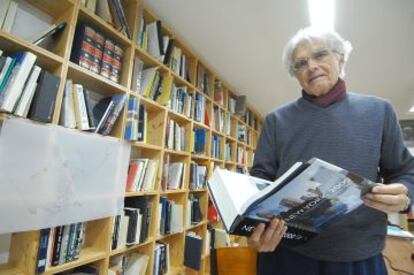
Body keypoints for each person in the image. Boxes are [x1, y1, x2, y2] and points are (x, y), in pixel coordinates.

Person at [247, 27, 414, 275]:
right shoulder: (276, 121)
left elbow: (405, 172)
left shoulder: (379, 111)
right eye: (301, 63)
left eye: (320, 55)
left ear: (341, 58)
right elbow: (259, 182)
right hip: (286, 252)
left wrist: (406, 194)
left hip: (359, 255)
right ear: (296, 75)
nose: (311, 66)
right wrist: (253, 228)